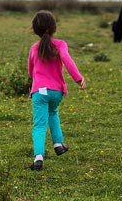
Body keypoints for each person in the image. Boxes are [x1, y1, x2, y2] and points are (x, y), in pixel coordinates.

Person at [28, 10, 86, 171]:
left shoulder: (34, 48)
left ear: (35, 30)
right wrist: (78, 78)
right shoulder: (60, 44)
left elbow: (30, 70)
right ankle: (58, 144)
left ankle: (38, 157)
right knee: (53, 113)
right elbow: (67, 60)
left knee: (39, 124)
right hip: (56, 91)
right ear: (54, 28)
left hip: (39, 92)